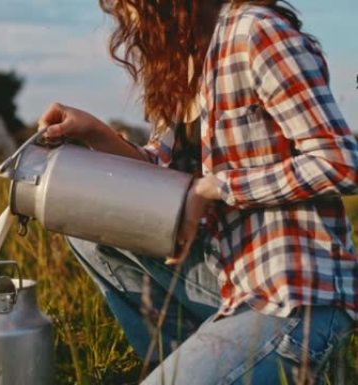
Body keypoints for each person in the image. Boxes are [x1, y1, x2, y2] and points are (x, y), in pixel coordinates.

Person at [37, 0, 358, 383]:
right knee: (89, 219)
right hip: (226, 281)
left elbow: (340, 162)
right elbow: (161, 183)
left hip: (292, 296)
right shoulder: (185, 62)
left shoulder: (255, 31)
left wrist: (216, 187)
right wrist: (96, 133)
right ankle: (192, 362)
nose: (122, 13)